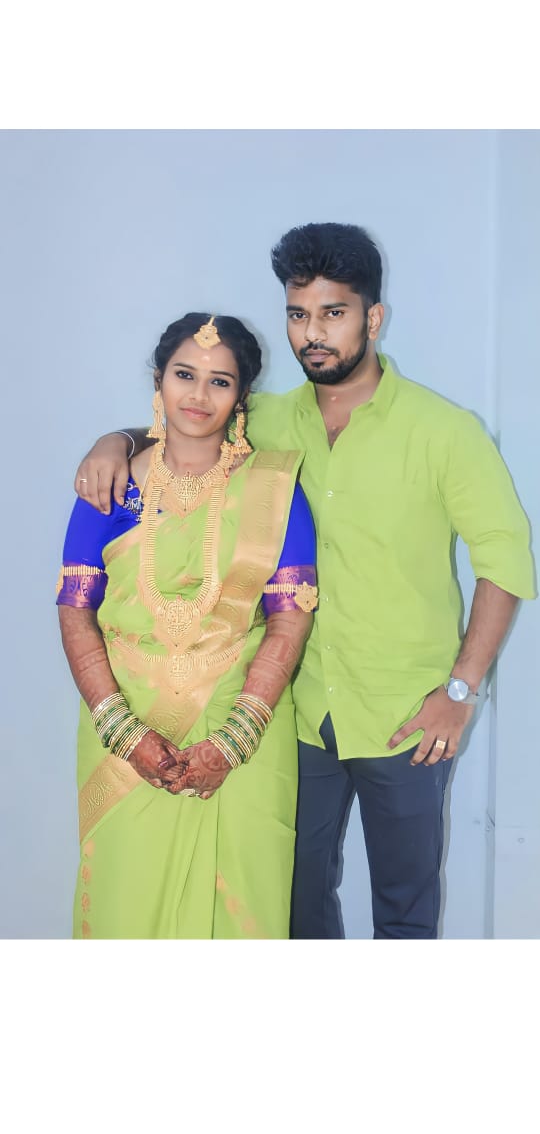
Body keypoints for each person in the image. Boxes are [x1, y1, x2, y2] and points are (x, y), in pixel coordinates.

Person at [75, 224, 536, 940]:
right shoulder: (265, 422)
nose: (312, 333)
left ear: (373, 318)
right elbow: (186, 418)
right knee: (294, 907)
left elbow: (503, 560)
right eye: (298, 314)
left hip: (405, 716)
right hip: (296, 712)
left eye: (333, 313)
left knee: (406, 909)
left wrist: (459, 691)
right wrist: (116, 441)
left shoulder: (446, 431)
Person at [58, 312, 317, 939]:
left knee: (242, 915)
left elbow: (290, 619)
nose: (199, 395)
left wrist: (234, 741)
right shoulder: (111, 486)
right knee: (125, 909)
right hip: (124, 729)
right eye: (184, 375)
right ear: (159, 380)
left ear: (242, 395)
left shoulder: (275, 490)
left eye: (219, 381)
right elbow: (75, 611)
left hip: (245, 731)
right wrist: (123, 732)